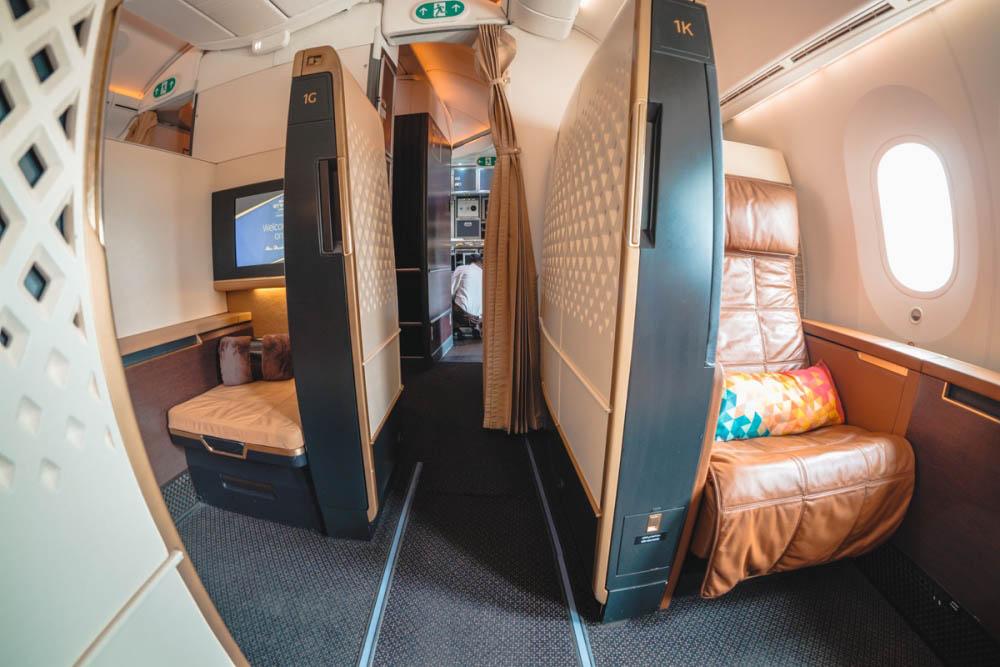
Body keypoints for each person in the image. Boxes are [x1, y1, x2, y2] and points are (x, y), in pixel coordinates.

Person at [452, 254, 483, 336]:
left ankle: (456, 330)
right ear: (479, 262)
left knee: (448, 303)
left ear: (468, 262)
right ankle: (476, 327)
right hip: (481, 317)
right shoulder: (484, 273)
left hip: (464, 314)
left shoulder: (461, 268)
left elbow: (451, 290)